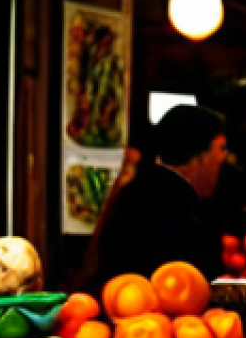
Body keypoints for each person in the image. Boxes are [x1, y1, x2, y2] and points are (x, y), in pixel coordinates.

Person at [83, 105, 227, 289]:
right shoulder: (175, 202)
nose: (224, 157)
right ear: (198, 156)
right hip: (145, 312)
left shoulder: (140, 188)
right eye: (220, 148)